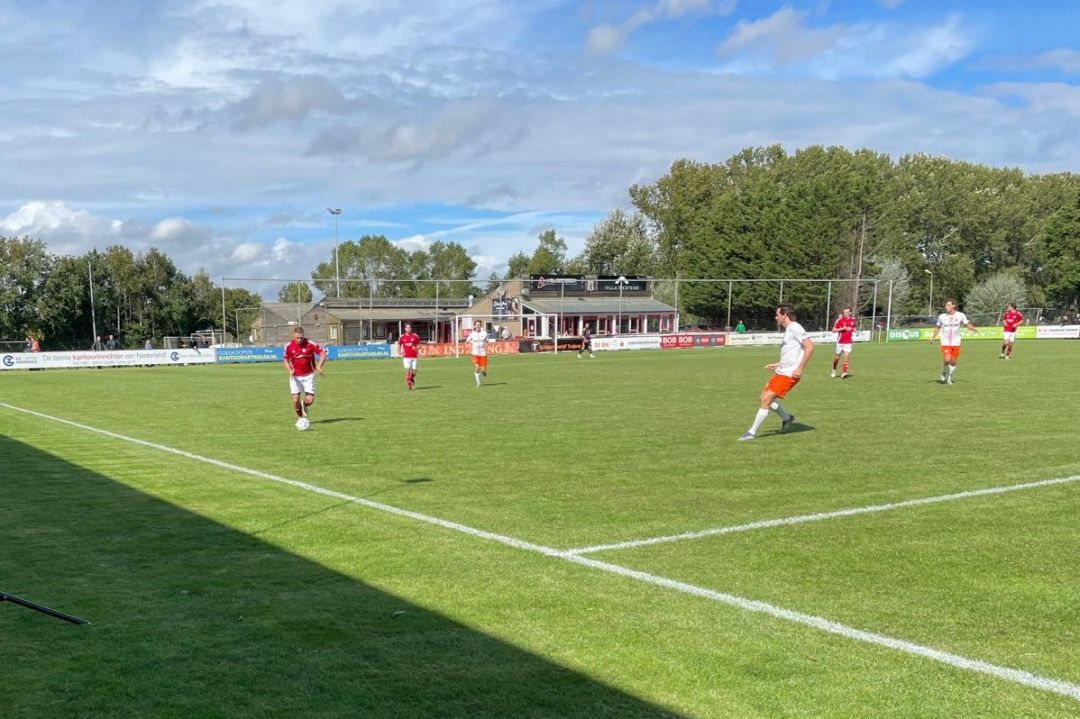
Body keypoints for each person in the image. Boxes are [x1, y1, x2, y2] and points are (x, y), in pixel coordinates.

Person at [739, 304, 814, 441]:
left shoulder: (795, 327)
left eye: (777, 314)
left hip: (789, 374)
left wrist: (800, 369)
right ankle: (787, 418)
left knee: (767, 399)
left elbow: (809, 347)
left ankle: (752, 432)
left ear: (784, 315)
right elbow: (792, 353)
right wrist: (777, 364)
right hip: (781, 371)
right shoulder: (789, 330)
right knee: (763, 399)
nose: (776, 317)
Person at [283, 326, 326, 424]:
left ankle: (305, 405)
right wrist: (290, 371)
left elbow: (323, 353)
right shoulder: (288, 346)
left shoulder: (310, 344)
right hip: (295, 377)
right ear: (294, 336)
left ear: (303, 336)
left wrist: (319, 366)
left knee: (309, 400)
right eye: (297, 338)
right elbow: (285, 360)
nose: (299, 339)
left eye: (301, 337)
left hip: (308, 376)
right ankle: (301, 419)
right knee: (295, 400)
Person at [930, 299, 978, 385]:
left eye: (948, 305)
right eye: (946, 305)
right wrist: (933, 337)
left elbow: (967, 324)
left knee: (953, 361)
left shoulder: (961, 315)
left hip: (956, 343)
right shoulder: (942, 316)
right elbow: (937, 327)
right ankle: (944, 371)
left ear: (953, 306)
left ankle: (949, 377)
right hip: (945, 343)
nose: (946, 307)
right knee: (947, 359)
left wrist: (973, 328)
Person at [830, 307, 856, 378]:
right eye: (844, 312)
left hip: (848, 342)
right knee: (837, 357)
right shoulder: (840, 320)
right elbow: (833, 330)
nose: (845, 313)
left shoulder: (853, 320)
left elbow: (853, 327)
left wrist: (854, 329)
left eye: (847, 312)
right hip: (840, 342)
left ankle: (844, 372)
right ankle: (834, 370)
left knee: (846, 357)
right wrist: (842, 329)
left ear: (850, 313)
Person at [463, 319, 489, 387]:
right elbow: (466, 341)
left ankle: (484, 372)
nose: (478, 326)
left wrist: (486, 344)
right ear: (474, 326)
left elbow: (487, 341)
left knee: (483, 369)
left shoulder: (484, 333)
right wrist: (467, 345)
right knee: (477, 367)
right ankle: (478, 383)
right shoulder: (472, 334)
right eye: (476, 325)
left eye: (479, 325)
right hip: (475, 353)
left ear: (481, 326)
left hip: (483, 354)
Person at [398, 322, 421, 390]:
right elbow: (399, 345)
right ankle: (409, 386)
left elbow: (419, 345)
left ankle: (411, 378)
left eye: (409, 327)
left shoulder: (415, 336)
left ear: (411, 328)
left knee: (414, 372)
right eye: (407, 327)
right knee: (408, 371)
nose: (408, 329)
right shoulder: (402, 337)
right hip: (406, 357)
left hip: (414, 357)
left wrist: (416, 348)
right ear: (405, 329)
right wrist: (399, 351)